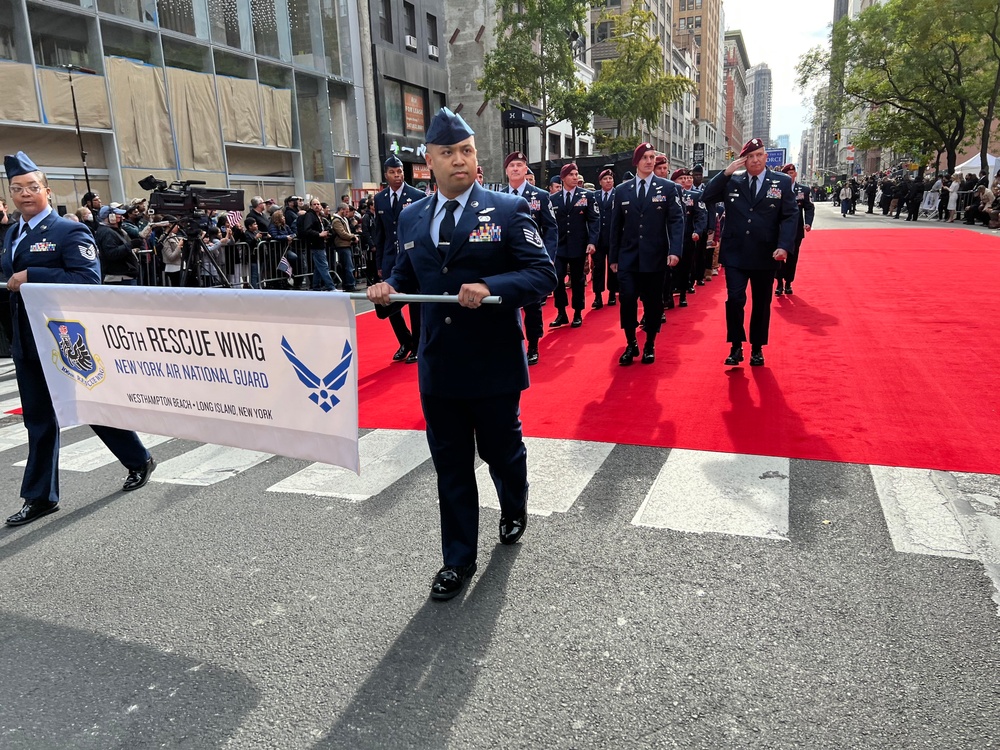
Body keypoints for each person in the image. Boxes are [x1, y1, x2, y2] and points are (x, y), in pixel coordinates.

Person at [365, 108, 557, 601]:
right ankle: (457, 559)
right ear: (428, 163)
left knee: (500, 453)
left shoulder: (507, 211)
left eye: (467, 151)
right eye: (448, 153)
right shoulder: (412, 215)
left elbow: (542, 275)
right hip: (439, 364)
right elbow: (408, 274)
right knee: (450, 465)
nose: (460, 161)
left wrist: (490, 286)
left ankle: (514, 503)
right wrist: (389, 288)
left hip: (491, 361)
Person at [2, 151, 156, 527]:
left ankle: (138, 459)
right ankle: (40, 497)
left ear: (48, 192)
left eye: (32, 187)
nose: (24, 194)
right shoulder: (12, 233)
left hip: (65, 339)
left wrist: (32, 275)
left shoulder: (67, 231)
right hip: (26, 338)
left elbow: (87, 281)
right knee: (38, 419)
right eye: (16, 188)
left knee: (89, 406)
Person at [700, 138, 797, 367]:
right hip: (736, 253)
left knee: (762, 302)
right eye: (750, 156)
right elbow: (707, 196)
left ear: (766, 157)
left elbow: (790, 216)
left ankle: (756, 348)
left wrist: (784, 246)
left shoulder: (781, 182)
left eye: (759, 155)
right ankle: (735, 345)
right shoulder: (733, 181)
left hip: (766, 253)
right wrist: (726, 172)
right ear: (744, 159)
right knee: (735, 299)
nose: (755, 160)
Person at [609, 142, 685, 365]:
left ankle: (650, 342)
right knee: (628, 298)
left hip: (655, 256)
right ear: (636, 162)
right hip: (628, 257)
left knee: (653, 302)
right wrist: (613, 257)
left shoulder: (668, 188)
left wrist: (675, 251)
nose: (650, 161)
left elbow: (676, 221)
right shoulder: (622, 190)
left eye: (652, 157)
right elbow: (615, 226)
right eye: (645, 157)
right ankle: (631, 342)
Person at [500, 150, 558, 365]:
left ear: (526, 169)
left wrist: (548, 257)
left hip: (531, 260)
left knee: (532, 305)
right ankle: (510, 343)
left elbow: (551, 229)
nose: (515, 168)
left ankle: (533, 344)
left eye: (519, 165)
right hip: (505, 261)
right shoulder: (498, 196)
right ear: (506, 170)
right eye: (511, 165)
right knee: (505, 303)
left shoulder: (540, 196)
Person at [372, 155, 425, 363]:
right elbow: (381, 233)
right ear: (386, 175)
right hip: (389, 258)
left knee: (415, 302)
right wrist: (379, 263)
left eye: (400, 171)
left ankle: (419, 345)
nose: (397, 175)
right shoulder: (380, 199)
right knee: (389, 302)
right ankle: (405, 341)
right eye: (393, 172)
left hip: (412, 258)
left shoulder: (417, 195)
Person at [549, 162, 599, 329]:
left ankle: (577, 312)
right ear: (563, 178)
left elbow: (594, 220)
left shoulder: (586, 196)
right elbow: (549, 224)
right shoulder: (553, 199)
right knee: (557, 279)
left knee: (578, 280)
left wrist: (592, 241)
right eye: (571, 174)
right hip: (559, 246)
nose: (575, 177)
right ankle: (561, 312)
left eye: (576, 174)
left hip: (579, 245)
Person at [670, 168, 707, 309]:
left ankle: (684, 293)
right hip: (672, 238)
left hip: (688, 237)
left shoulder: (695, 196)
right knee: (671, 269)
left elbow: (701, 216)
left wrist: (698, 231)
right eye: (681, 179)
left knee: (685, 266)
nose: (684, 181)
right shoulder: (668, 195)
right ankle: (670, 293)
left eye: (687, 178)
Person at [774, 164, 814, 296]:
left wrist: (808, 223)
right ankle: (779, 282)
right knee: (778, 257)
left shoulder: (803, 190)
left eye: (792, 173)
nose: (790, 175)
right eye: (787, 173)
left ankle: (788, 282)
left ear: (795, 174)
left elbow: (809, 207)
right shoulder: (776, 189)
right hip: (778, 229)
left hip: (796, 230)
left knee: (792, 257)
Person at [93, 205, 141, 285]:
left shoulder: (109, 231)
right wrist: (130, 245)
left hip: (121, 276)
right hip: (119, 277)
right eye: (118, 215)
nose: (122, 218)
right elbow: (112, 253)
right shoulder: (107, 233)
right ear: (111, 217)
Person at [591, 168, 618, 309]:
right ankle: (597, 296)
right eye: (605, 179)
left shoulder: (618, 194)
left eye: (611, 179)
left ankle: (612, 293)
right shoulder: (594, 196)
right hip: (598, 238)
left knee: (613, 266)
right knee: (598, 268)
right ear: (600, 182)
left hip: (613, 237)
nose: (608, 181)